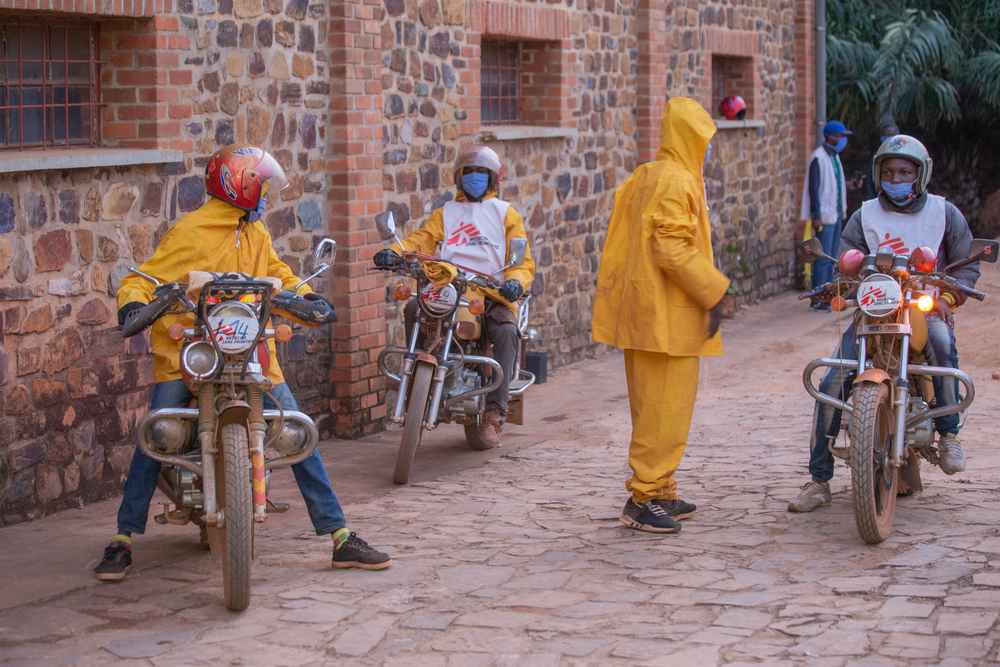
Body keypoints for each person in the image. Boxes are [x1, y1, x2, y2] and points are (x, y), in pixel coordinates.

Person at [94, 144, 391, 581]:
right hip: (192, 355)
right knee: (156, 432)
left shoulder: (256, 233)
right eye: (263, 185)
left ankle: (340, 536)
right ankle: (122, 539)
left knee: (297, 429)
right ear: (241, 185)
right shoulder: (191, 232)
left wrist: (306, 297)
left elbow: (279, 276)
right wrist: (133, 304)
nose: (267, 194)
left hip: (250, 354)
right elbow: (146, 278)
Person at [788, 135, 981, 513]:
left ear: (920, 174)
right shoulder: (865, 214)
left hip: (924, 308)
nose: (896, 177)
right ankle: (818, 481)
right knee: (831, 379)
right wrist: (838, 286)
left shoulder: (944, 212)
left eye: (905, 171)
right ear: (878, 174)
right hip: (875, 309)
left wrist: (946, 298)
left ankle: (949, 435)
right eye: (889, 171)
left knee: (941, 344)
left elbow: (966, 262)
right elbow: (847, 256)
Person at [592, 98, 730, 534]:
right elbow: (670, 247)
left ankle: (662, 489)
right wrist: (714, 291)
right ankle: (644, 497)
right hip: (664, 317)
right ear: (690, 138)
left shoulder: (647, 175)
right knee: (662, 409)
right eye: (702, 140)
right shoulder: (675, 180)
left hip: (647, 312)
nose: (706, 150)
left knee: (658, 408)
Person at [373, 145, 535, 448]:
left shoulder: (505, 213)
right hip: (450, 286)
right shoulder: (446, 213)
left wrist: (514, 282)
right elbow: (420, 239)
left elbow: (522, 261)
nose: (475, 177)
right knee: (413, 308)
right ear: (459, 177)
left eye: (482, 173)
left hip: (491, 290)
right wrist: (393, 252)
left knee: (506, 329)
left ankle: (494, 413)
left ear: (493, 179)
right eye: (469, 172)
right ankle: (415, 390)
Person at [799, 120, 862, 311]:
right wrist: (816, 214)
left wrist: (850, 185)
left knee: (832, 258)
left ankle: (828, 295)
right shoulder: (818, 158)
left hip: (834, 214)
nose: (843, 140)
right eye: (841, 136)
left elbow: (834, 184)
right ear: (830, 137)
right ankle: (818, 297)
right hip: (824, 217)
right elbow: (814, 188)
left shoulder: (834, 157)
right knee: (821, 257)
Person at [864, 123, 900, 201]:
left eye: (890, 135)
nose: (887, 138)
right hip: (880, 201)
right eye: (884, 135)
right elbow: (870, 182)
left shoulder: (906, 156)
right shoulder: (876, 157)